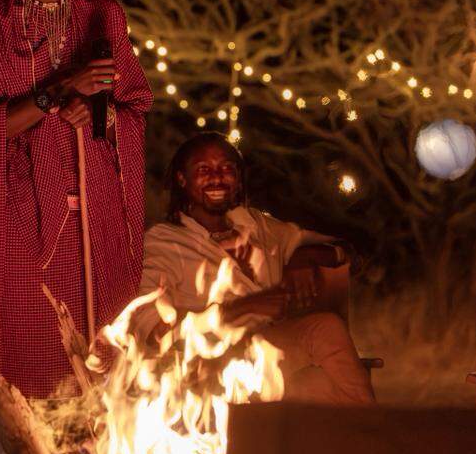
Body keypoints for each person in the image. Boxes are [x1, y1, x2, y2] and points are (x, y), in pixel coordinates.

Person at [0, 0, 152, 398]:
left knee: (104, 347)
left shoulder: (102, 12)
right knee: (30, 343)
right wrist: (58, 92)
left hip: (96, 207)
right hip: (23, 209)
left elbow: (132, 105)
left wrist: (99, 115)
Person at [134, 133, 376, 405]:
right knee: (319, 361)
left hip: (270, 358)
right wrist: (242, 308)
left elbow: (355, 250)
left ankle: (367, 434)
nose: (217, 177)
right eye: (204, 170)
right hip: (207, 370)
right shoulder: (165, 242)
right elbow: (151, 331)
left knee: (323, 346)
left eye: (227, 168)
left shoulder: (260, 228)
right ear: (182, 179)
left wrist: (305, 258)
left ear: (238, 178)